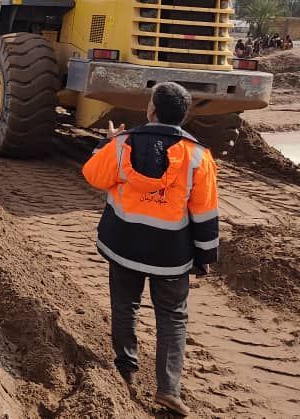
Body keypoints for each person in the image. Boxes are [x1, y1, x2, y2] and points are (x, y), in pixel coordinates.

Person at [82, 82, 218, 418]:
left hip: (124, 245)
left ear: (151, 110)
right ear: (183, 116)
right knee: (172, 317)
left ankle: (126, 369)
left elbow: (92, 175)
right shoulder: (198, 156)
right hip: (170, 256)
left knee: (125, 306)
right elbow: (205, 212)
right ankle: (168, 390)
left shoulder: (123, 144)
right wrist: (204, 257)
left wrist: (107, 141)